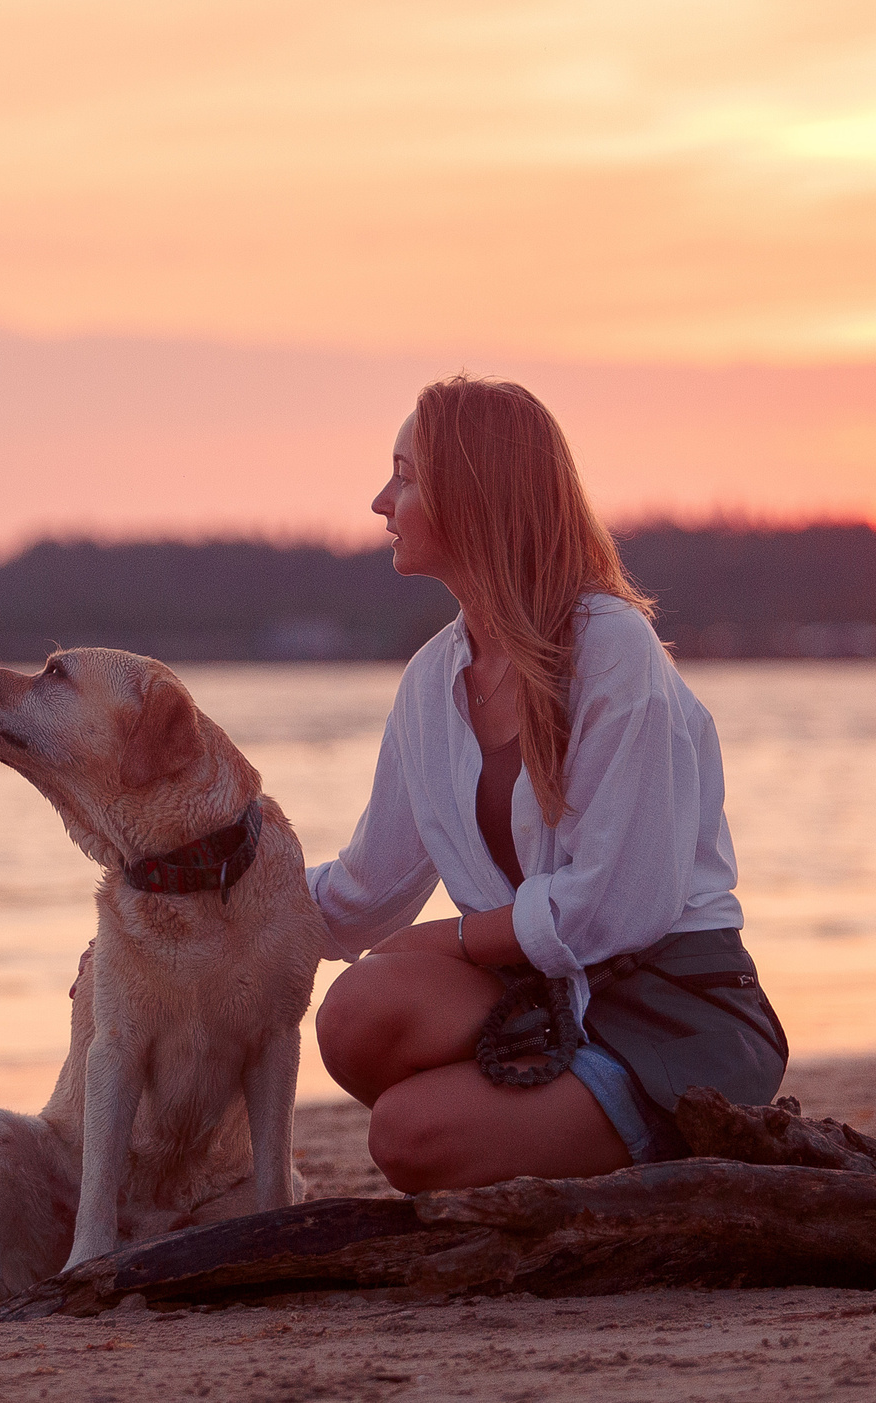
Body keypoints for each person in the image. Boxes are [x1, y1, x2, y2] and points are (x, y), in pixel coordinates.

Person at [308, 375, 786, 1192]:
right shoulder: (432, 684)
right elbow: (359, 894)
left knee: (404, 1137)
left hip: (669, 1009)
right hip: (544, 1008)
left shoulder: (613, 650)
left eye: (405, 474)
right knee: (353, 1014)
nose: (381, 500)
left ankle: (674, 1137)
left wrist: (449, 939)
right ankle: (550, 1120)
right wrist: (175, 926)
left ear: (474, 494)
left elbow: (616, 905)